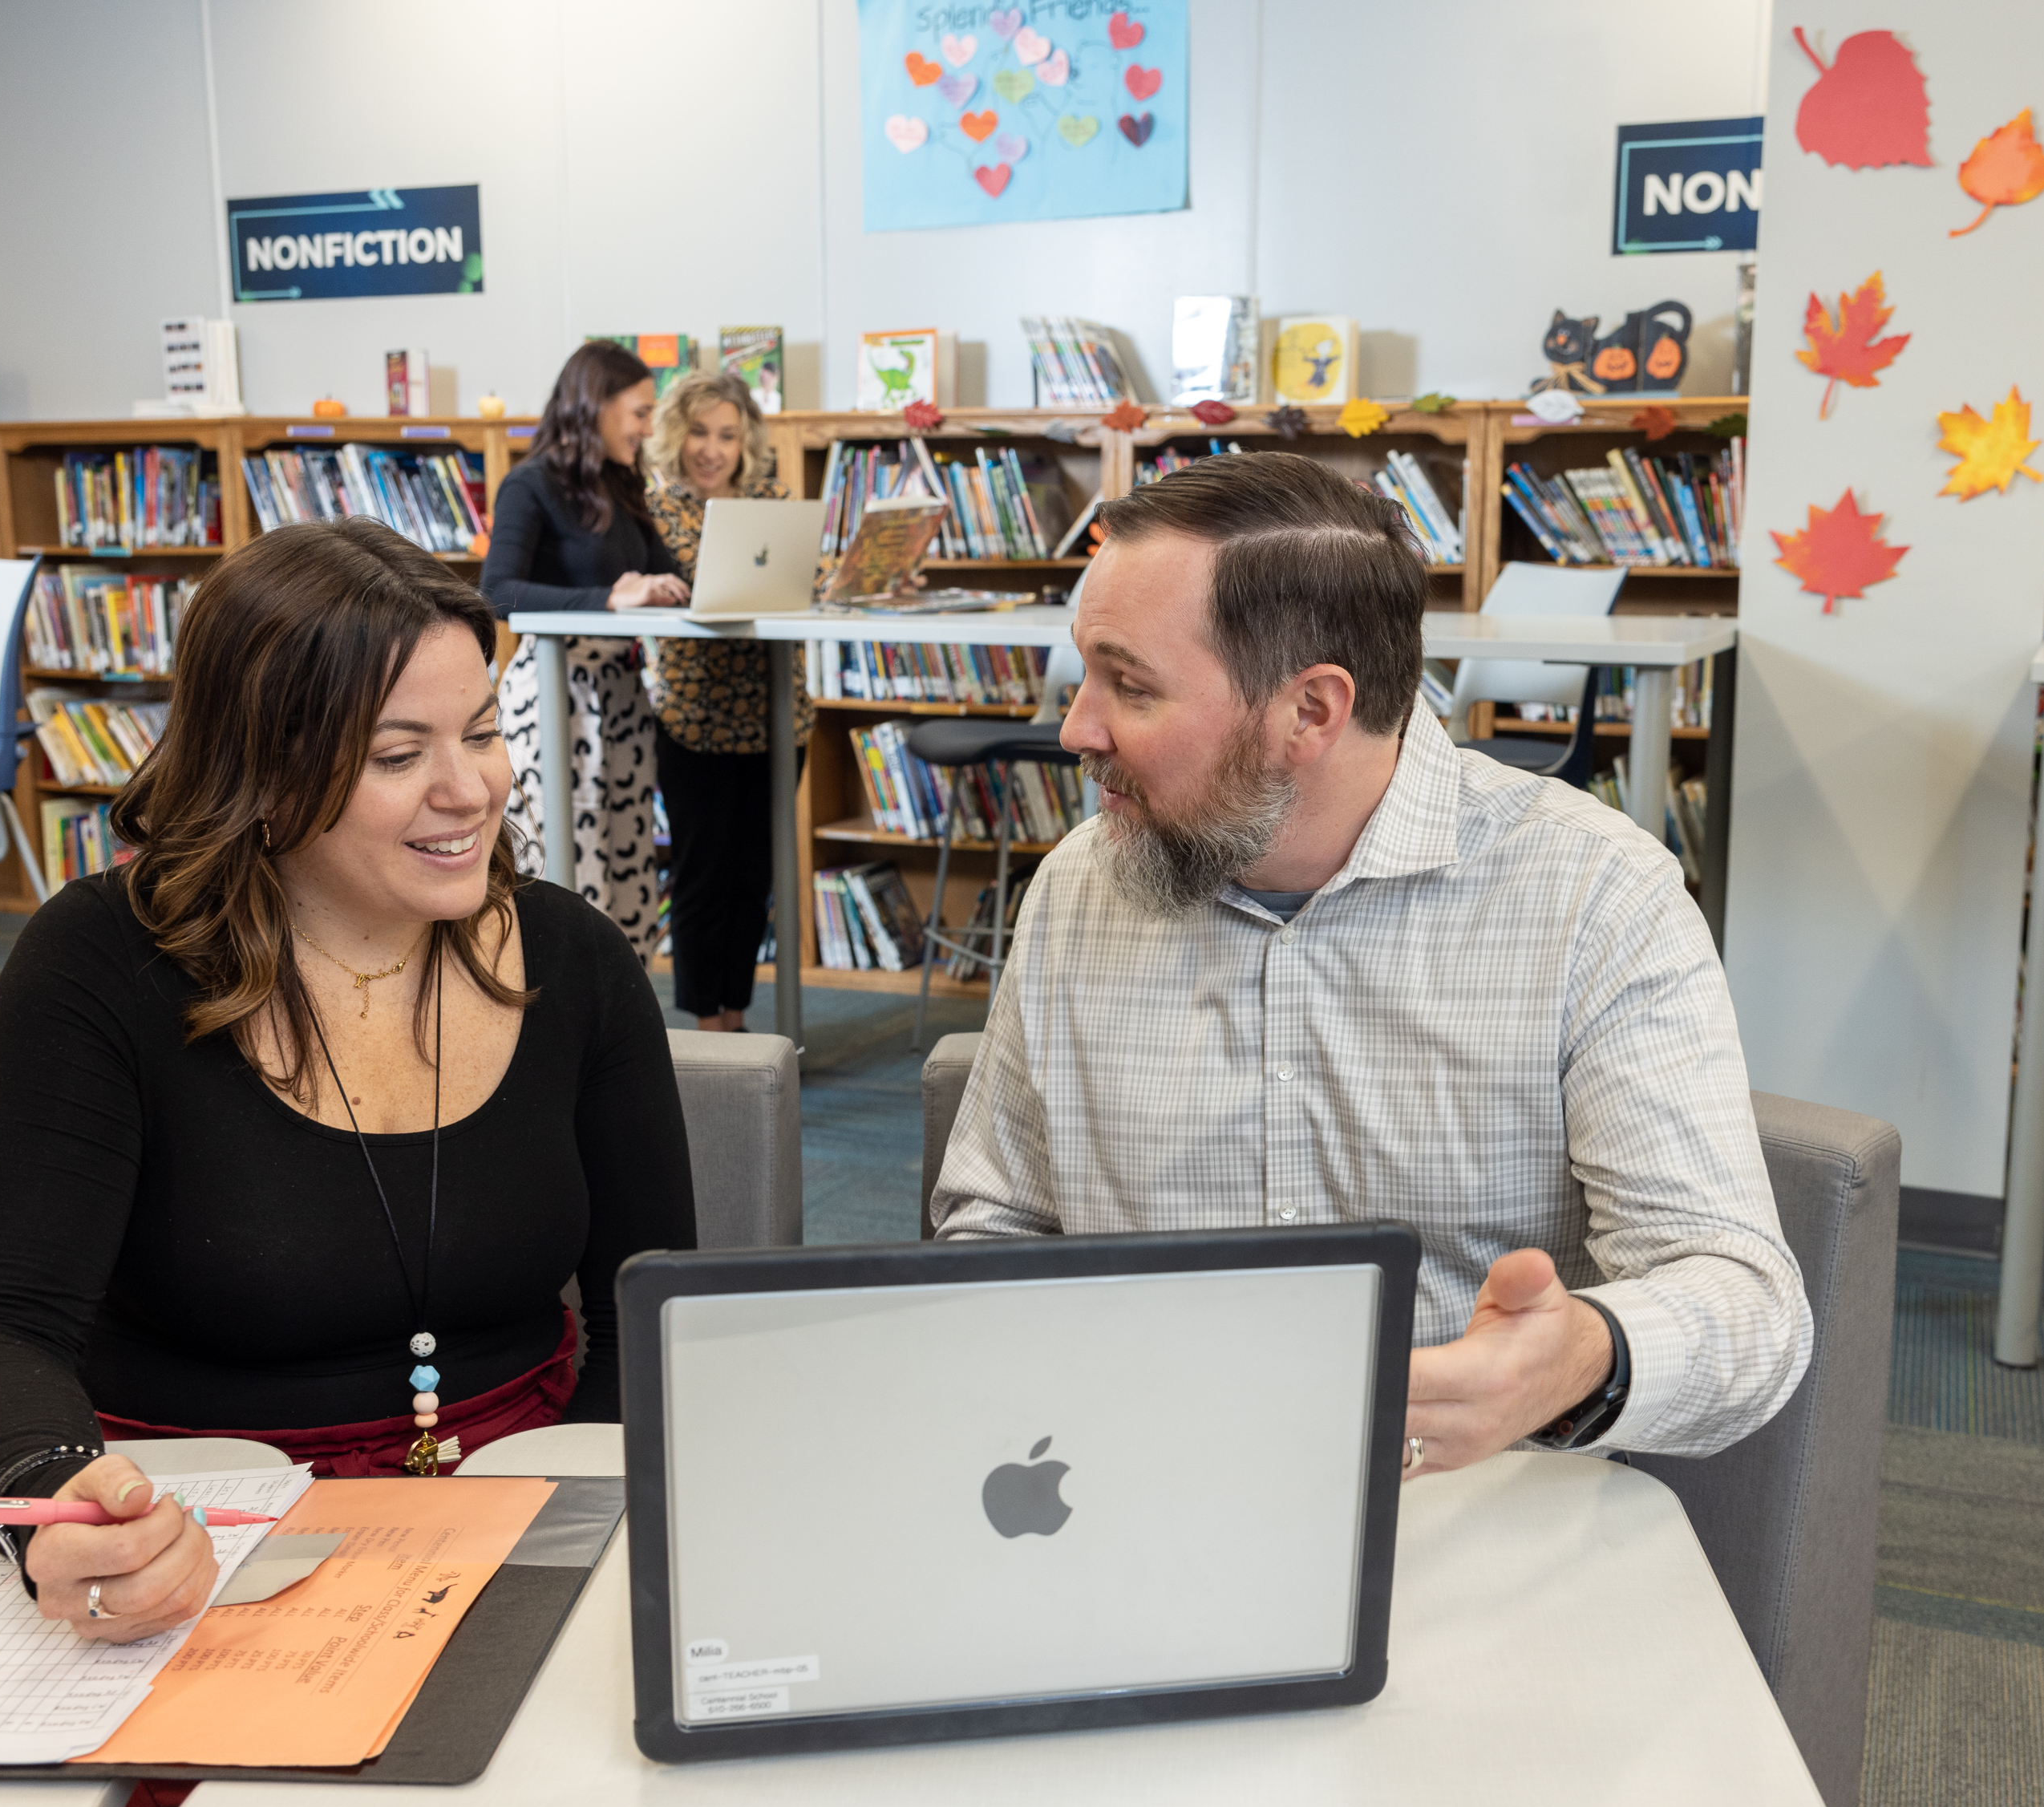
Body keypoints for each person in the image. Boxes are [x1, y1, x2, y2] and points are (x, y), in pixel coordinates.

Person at [930, 452, 1809, 1474]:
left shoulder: (1594, 895)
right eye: (1089, 672)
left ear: (1310, 711)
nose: (1077, 727)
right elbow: (998, 1223)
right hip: (1135, 1477)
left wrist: (1583, 1355)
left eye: (1130, 684)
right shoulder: (1081, 886)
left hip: (1465, 1496)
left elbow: (1747, 1306)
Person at [0, 519, 698, 1647]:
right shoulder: (101, 964)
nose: (471, 789)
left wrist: (579, 1527)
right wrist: (60, 1505)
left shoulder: (575, 957)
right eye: (397, 756)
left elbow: (649, 1312)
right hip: (202, 1540)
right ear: (265, 773)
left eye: (482, 732)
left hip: (529, 1509)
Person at [488, 338, 684, 965]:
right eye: (641, 412)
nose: (649, 428)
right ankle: (561, 1006)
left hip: (620, 698)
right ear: (595, 406)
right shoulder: (530, 483)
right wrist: (609, 598)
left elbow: (669, 576)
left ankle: (620, 1007)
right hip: (554, 698)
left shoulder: (624, 487)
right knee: (563, 870)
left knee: (627, 869)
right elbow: (497, 591)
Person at [640, 368, 810, 1031]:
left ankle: (737, 1015)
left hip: (779, 718)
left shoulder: (774, 498)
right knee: (702, 876)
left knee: (755, 879)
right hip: (696, 720)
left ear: (746, 442)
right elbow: (700, 575)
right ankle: (708, 1025)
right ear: (676, 434)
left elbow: (812, 572)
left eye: (728, 435)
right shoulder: (659, 505)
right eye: (700, 432)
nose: (712, 449)